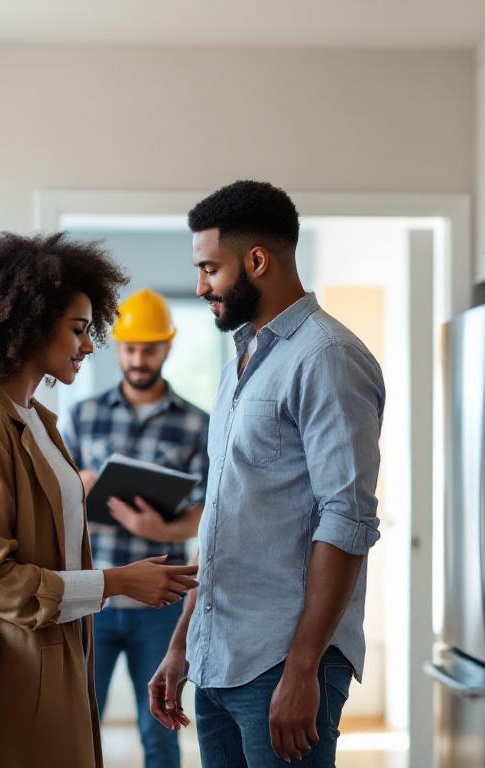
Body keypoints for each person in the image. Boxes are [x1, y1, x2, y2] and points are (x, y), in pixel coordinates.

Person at [0, 232, 200, 768]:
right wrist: (118, 582)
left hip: (56, 648)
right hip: (22, 659)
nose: (89, 345)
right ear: (30, 324)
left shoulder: (36, 419)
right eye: (79, 330)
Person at [147, 181, 386, 766]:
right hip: (219, 659)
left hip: (283, 664)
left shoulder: (326, 356)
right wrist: (182, 643)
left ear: (256, 261)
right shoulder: (242, 363)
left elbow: (348, 518)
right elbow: (227, 520)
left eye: (210, 268)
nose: (201, 286)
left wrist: (304, 666)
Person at [62, 288, 210, 768]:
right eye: (130, 347)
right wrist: (77, 485)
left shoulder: (197, 424)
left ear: (167, 348)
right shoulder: (84, 416)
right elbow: (53, 502)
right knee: (80, 726)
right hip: (94, 599)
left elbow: (211, 514)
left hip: (162, 603)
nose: (139, 358)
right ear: (118, 348)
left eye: (149, 348)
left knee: (160, 728)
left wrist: (162, 530)